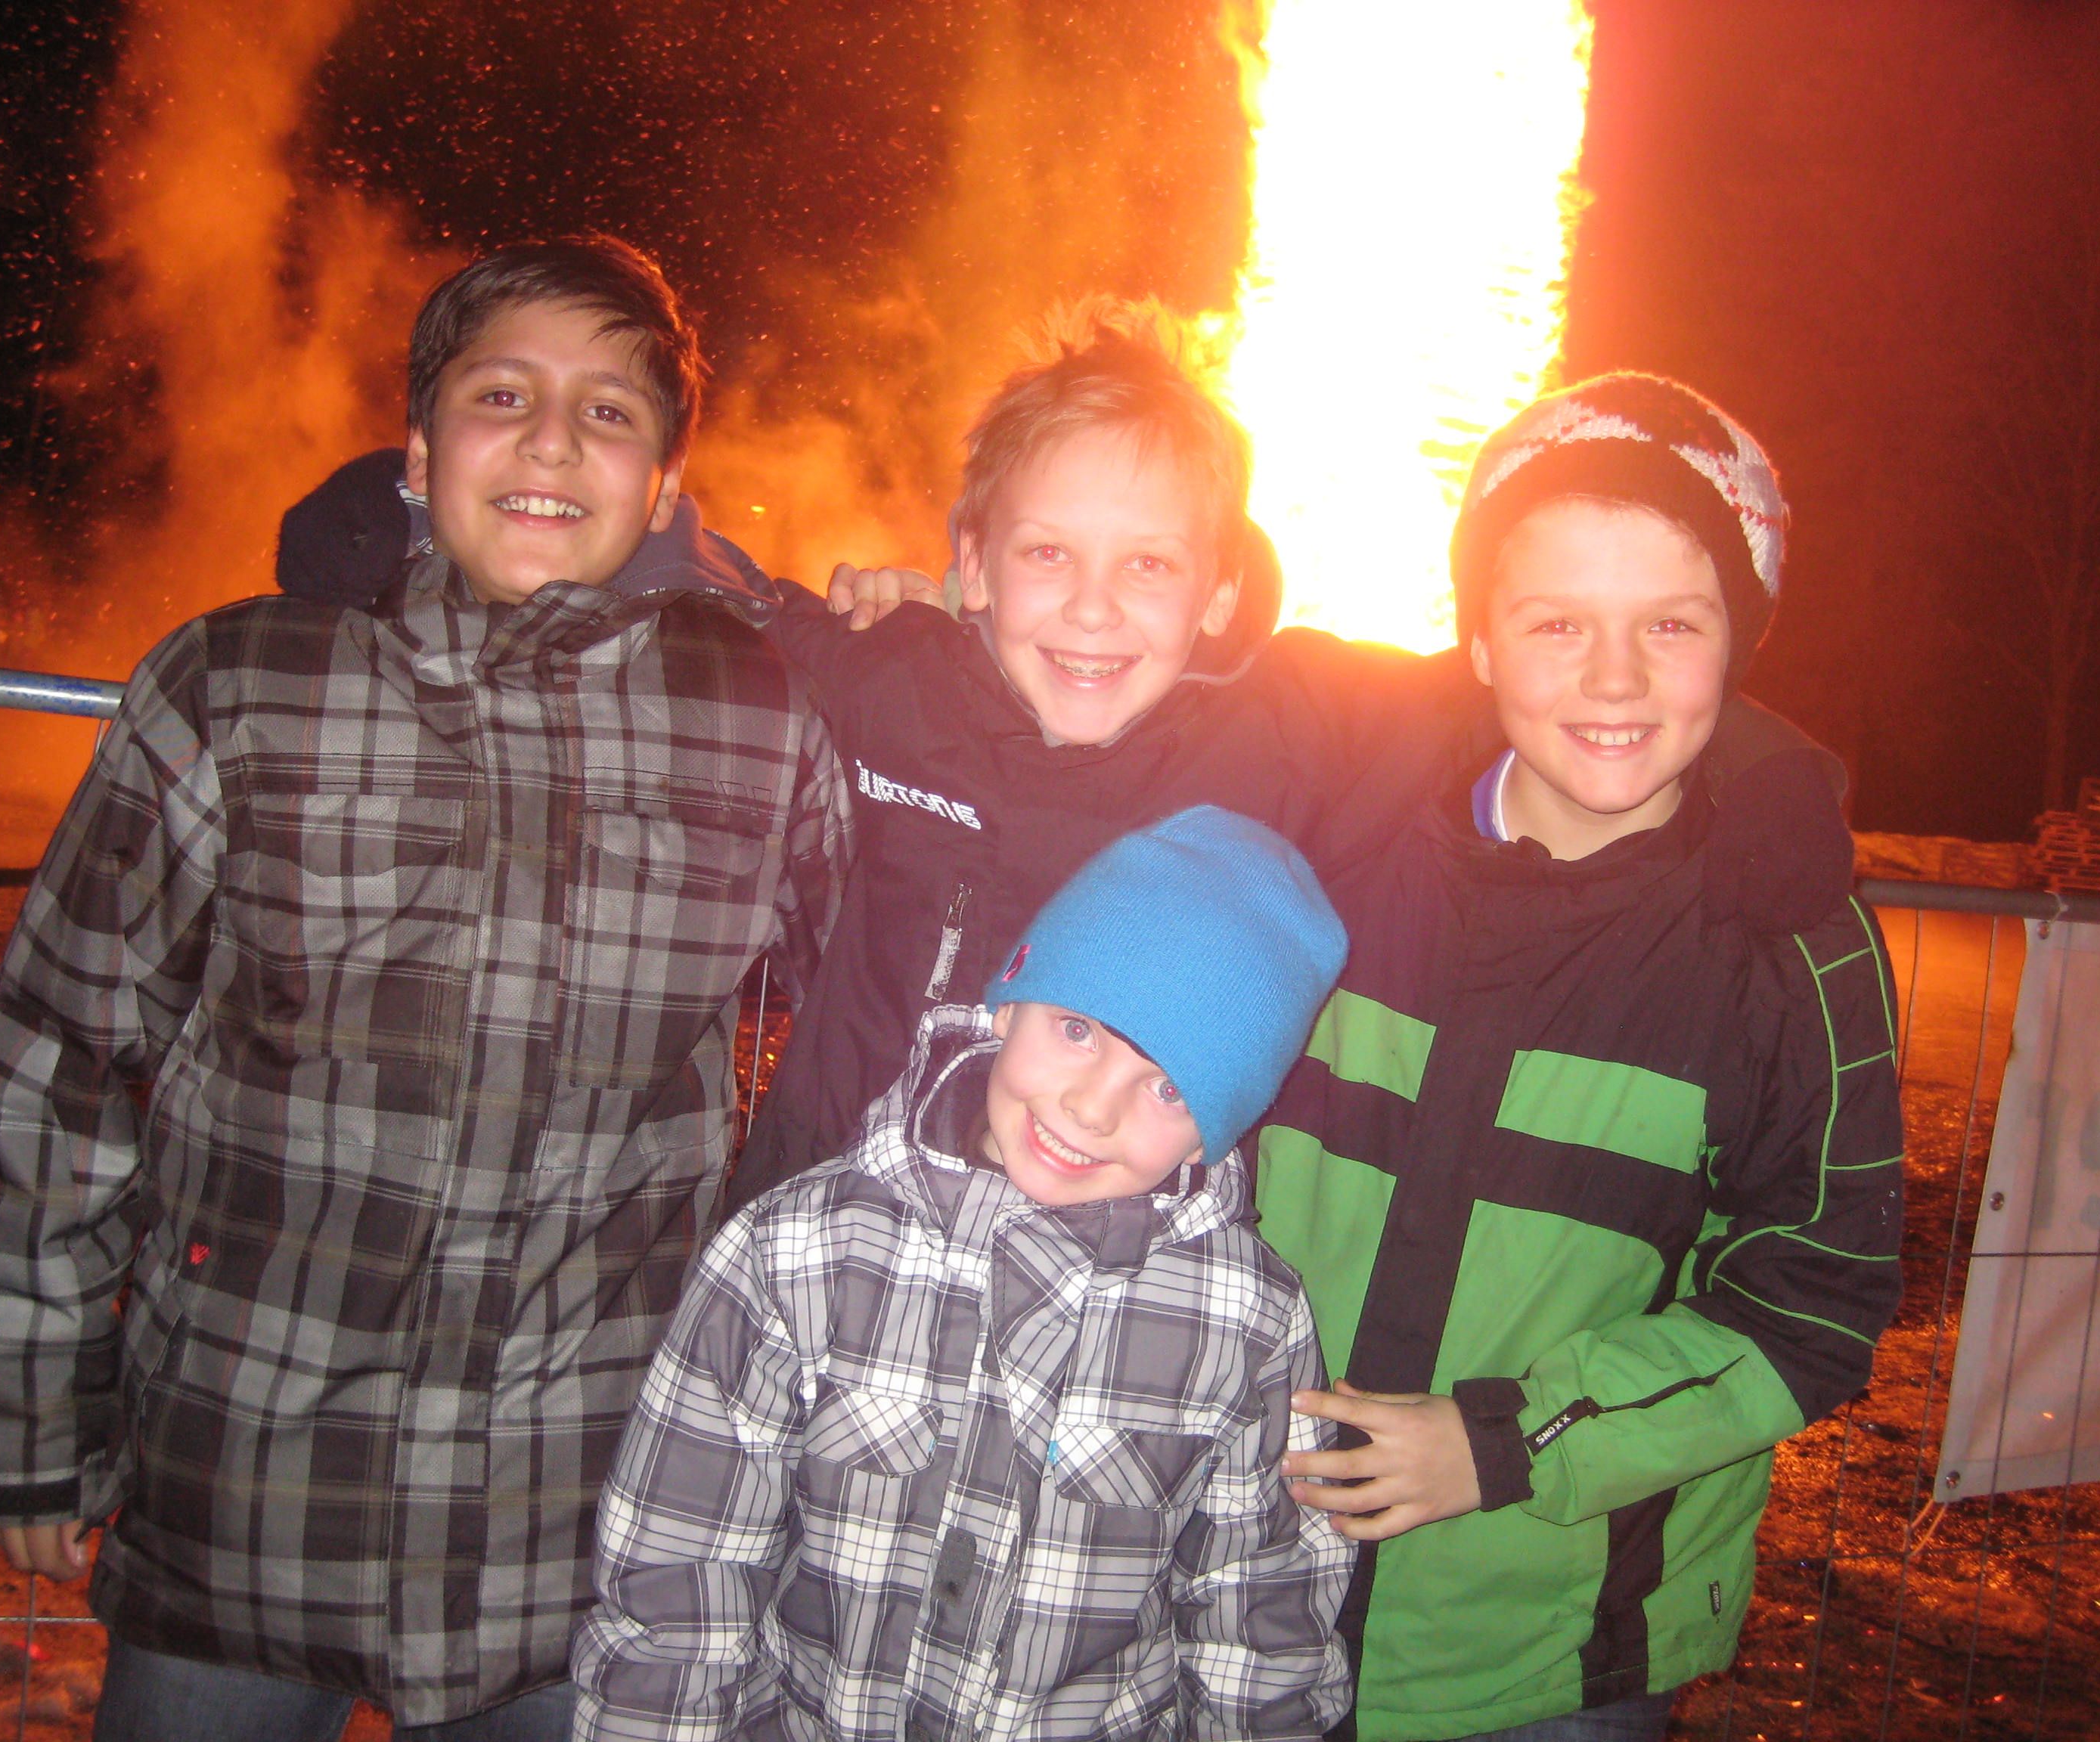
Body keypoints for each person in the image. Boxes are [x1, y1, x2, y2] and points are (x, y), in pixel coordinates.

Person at [274, 305, 1860, 1215]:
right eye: (1048, 555)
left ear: (1221, 593)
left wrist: (1759, 770)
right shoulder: (886, 683)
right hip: (825, 1240)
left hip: (1112, 1287)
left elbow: (1539, 669)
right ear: (969, 565)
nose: (1093, 611)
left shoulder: (1279, 732)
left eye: (1150, 566)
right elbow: (688, 573)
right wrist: (396, 516)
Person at [0, 237, 851, 1740]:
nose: (553, 442)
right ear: (417, 455)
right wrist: (22, 1416)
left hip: (572, 1524)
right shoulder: (239, 683)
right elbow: (60, 1054)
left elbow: (887, 987)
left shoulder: (755, 714)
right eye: (503, 396)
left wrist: (925, 663)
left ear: (666, 490)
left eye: (610, 412)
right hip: (246, 1485)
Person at [1256, 374, 1906, 1740]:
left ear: (1737, 645)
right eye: (1557, 622)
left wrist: (1508, 1439)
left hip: (1550, 1658)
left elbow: (1812, 1305)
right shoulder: (1340, 842)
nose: (1614, 678)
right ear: (1479, 642)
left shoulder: (1793, 952)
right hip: (1230, 1599)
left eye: (1671, 623)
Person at [571, 806, 1357, 1742]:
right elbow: (677, 1580)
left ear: (1215, 1132)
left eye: (1169, 1087)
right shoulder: (798, 1248)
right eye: (1078, 1029)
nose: (1090, 1108)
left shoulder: (1251, 1321)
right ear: (1006, 1006)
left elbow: (1257, 1630)